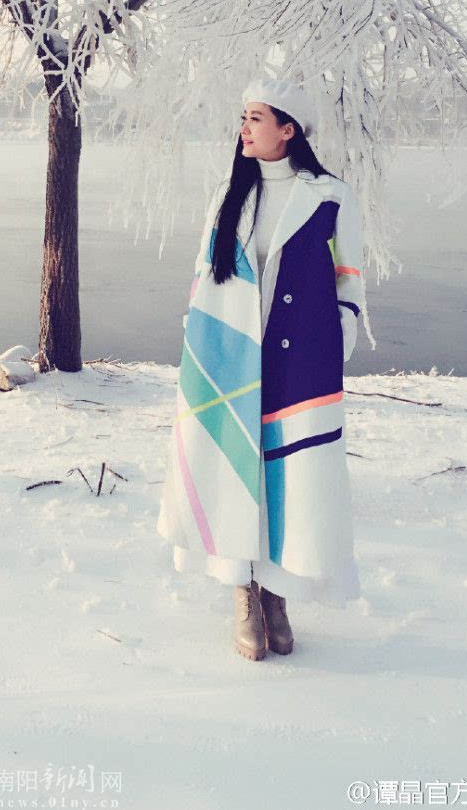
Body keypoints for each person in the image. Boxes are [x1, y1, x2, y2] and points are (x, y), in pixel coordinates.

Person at [156, 78, 365, 660]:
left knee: (288, 478)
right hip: (230, 359)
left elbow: (350, 276)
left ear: (288, 128)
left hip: (301, 365)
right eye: (243, 118)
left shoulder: (330, 197)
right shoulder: (231, 194)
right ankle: (244, 591)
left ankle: (277, 592)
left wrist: (339, 333)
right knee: (234, 468)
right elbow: (203, 273)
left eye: (254, 118)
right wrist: (199, 339)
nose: (244, 128)